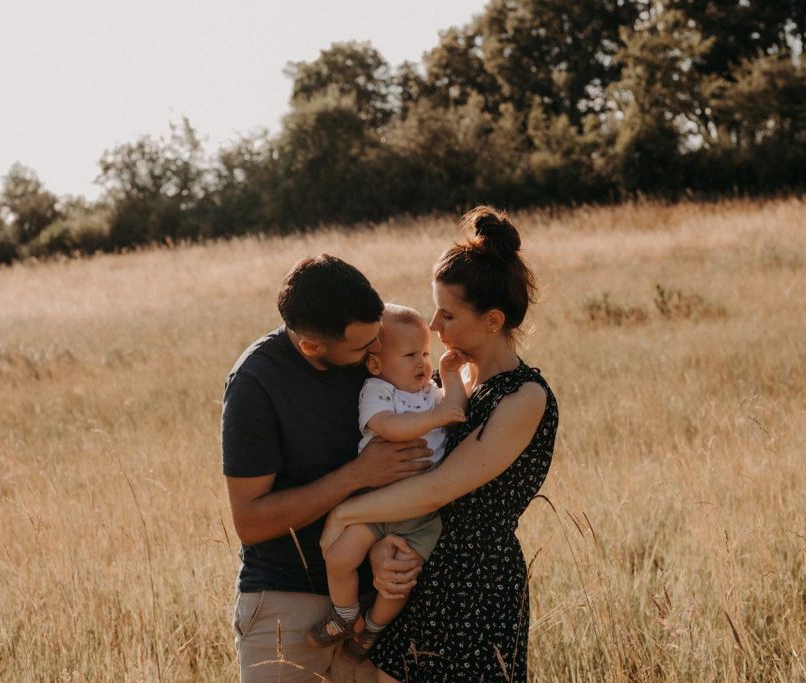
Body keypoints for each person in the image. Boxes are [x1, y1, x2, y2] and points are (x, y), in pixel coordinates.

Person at [320, 206, 559, 681]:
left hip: (475, 587)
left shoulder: (523, 397)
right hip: (420, 569)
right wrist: (378, 548)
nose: (433, 324)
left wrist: (343, 513)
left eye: (447, 313)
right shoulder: (445, 383)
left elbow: (437, 489)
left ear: (492, 320)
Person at [221, 255, 430, 682]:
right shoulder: (256, 384)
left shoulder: (374, 349)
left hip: (376, 603)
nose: (375, 352)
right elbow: (251, 521)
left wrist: (388, 549)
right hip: (285, 605)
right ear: (312, 346)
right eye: (361, 348)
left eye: (377, 338)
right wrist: (357, 474)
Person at [307, 304, 468, 660]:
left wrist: (449, 375)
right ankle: (347, 614)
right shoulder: (377, 391)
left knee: (398, 583)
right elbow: (387, 427)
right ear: (377, 363)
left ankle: (374, 628)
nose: (421, 364)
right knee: (338, 556)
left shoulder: (431, 392)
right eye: (410, 355)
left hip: (419, 510)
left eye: (426, 354)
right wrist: (432, 419)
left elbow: (455, 410)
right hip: (376, 503)